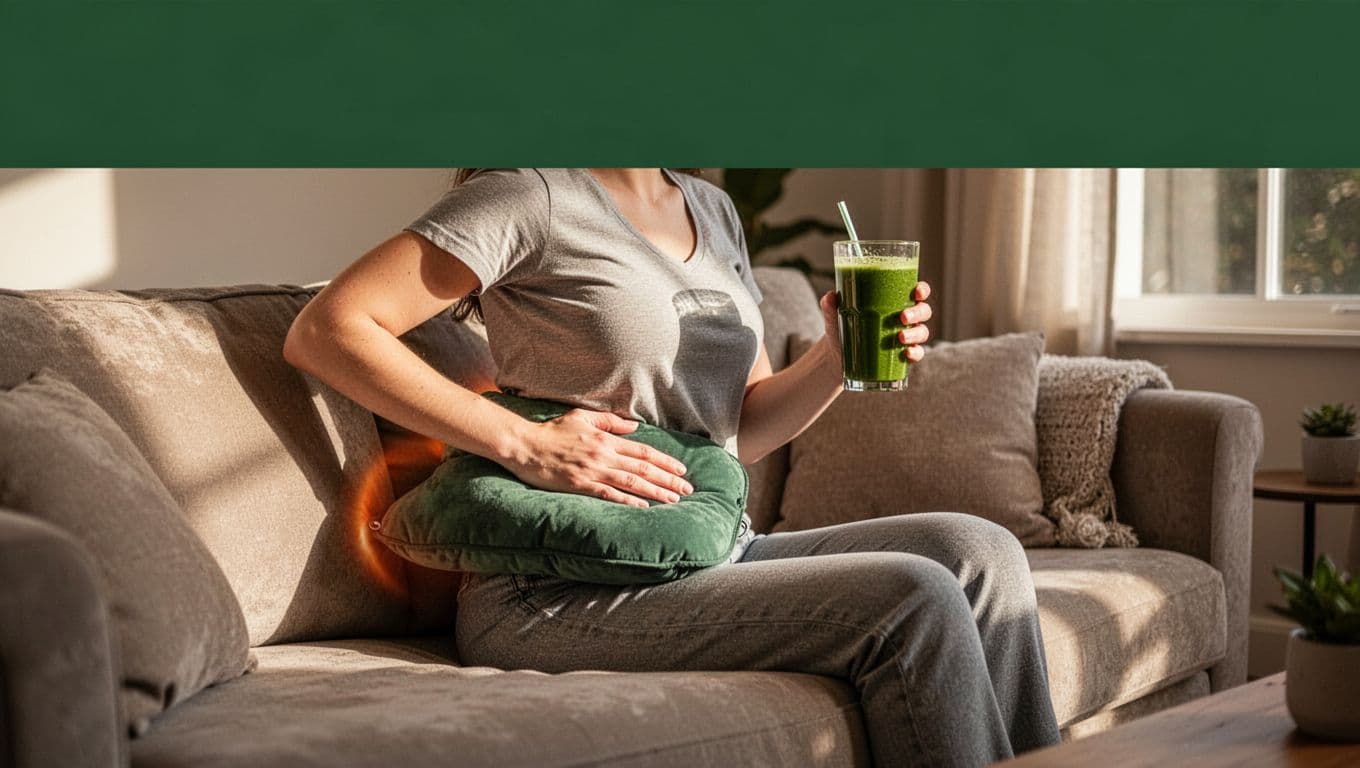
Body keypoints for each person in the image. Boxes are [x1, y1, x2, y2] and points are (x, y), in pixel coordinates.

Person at [284, 168, 1061, 766]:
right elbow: (328, 329)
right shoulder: (530, 195)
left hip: (714, 547)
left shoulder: (712, 209)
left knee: (983, 553)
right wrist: (521, 441)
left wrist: (834, 355)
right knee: (914, 598)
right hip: (558, 587)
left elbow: (745, 427)